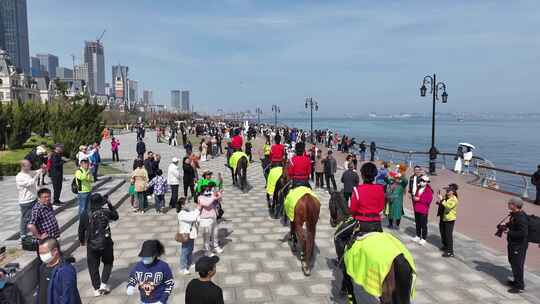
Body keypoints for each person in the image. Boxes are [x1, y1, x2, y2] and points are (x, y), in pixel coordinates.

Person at [78, 193, 119, 296]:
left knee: (93, 266)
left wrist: (82, 241)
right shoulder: (105, 212)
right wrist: (109, 203)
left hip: (92, 245)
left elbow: (81, 230)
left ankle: (96, 289)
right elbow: (116, 216)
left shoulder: (84, 214)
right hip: (106, 243)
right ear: (101, 202)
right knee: (108, 262)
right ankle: (104, 284)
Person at [37, 238, 82, 304]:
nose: (41, 256)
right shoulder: (42, 267)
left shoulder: (65, 270)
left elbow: (68, 297)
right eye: (40, 253)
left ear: (55, 251)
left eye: (44, 253)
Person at [502, 197, 529, 293]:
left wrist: (509, 232)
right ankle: (516, 281)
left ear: (514, 205)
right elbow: (514, 224)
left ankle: (519, 286)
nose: (508, 204)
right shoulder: (515, 215)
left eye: (509, 203)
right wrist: (507, 225)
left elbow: (523, 233)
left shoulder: (521, 217)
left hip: (519, 245)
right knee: (512, 261)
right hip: (513, 243)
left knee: (518, 264)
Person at [16, 160, 43, 239]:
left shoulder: (28, 172)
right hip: (26, 202)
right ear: (23, 166)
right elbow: (30, 182)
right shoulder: (19, 177)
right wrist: (37, 174)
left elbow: (35, 172)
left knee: (35, 217)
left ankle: (36, 232)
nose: (30, 166)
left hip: (33, 199)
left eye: (30, 165)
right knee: (26, 219)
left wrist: (41, 169)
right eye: (28, 165)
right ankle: (23, 235)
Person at [198, 182, 224, 255]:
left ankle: (216, 246)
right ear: (203, 192)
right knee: (206, 236)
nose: (208, 191)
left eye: (209, 190)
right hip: (206, 220)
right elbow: (207, 204)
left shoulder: (211, 196)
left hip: (213, 217)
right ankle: (207, 250)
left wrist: (219, 193)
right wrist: (213, 197)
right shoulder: (200, 198)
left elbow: (219, 199)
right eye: (207, 190)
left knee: (215, 234)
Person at [177, 199, 201, 275]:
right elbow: (192, 218)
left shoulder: (189, 212)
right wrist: (197, 209)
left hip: (191, 234)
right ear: (182, 205)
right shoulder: (181, 213)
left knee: (190, 249)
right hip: (185, 235)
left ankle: (189, 262)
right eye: (187, 203)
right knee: (185, 251)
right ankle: (183, 267)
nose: (189, 204)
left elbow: (196, 217)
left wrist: (197, 213)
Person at [437, 183, 459, 257]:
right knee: (442, 232)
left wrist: (441, 200)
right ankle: (445, 246)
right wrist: (439, 202)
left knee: (448, 235)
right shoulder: (446, 197)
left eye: (448, 190)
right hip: (443, 217)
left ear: (453, 191)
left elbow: (448, 206)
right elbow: (443, 204)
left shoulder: (454, 199)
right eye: (447, 190)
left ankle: (450, 251)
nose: (447, 191)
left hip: (449, 219)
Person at [412, 175, 433, 245]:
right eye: (421, 180)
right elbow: (415, 195)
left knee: (423, 225)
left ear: (427, 182)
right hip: (417, 209)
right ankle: (418, 236)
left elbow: (429, 200)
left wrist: (419, 199)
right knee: (417, 223)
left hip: (423, 210)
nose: (421, 182)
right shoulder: (419, 188)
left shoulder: (429, 190)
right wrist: (415, 198)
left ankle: (424, 238)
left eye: (423, 181)